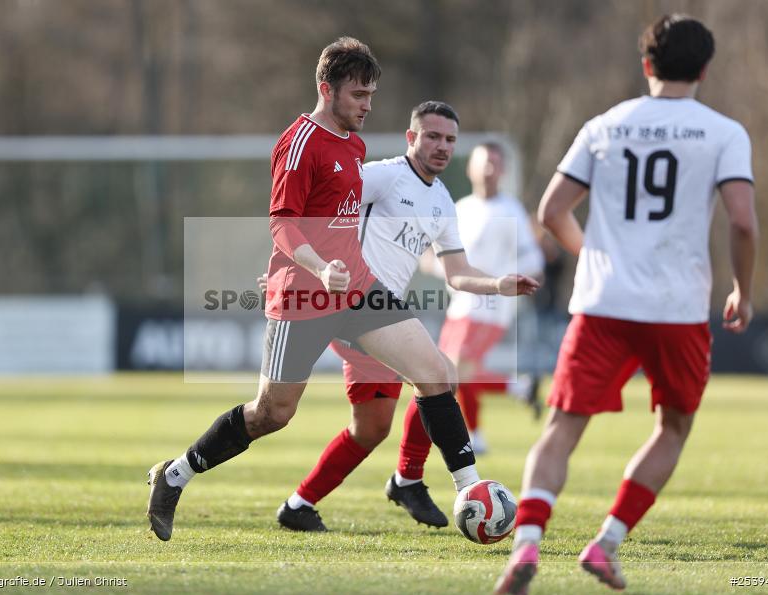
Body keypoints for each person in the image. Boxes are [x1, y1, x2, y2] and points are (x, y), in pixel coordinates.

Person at [145, 37, 537, 543]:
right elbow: (283, 224)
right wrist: (309, 266)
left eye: (371, 95)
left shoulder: (354, 146)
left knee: (437, 372)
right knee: (272, 414)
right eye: (358, 95)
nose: (367, 106)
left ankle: (470, 489)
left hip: (358, 290)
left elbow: (344, 222)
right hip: (305, 296)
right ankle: (175, 474)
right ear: (325, 90)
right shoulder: (299, 141)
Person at [495, 15, 757, 595]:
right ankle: (605, 543)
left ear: (646, 65)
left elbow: (551, 210)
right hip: (677, 307)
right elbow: (741, 220)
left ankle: (528, 542)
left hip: (603, 301)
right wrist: (743, 287)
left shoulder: (605, 126)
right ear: (705, 70)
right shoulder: (723, 132)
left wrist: (592, 256)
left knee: (562, 427)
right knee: (674, 426)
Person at [274, 101, 540, 532]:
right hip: (354, 307)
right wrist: (301, 267)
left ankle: (299, 504)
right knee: (440, 374)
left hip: (383, 316)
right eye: (432, 136)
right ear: (411, 137)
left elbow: (457, 273)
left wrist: (497, 285)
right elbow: (322, 209)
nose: (442, 146)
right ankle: (411, 478)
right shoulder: (382, 175)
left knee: (370, 429)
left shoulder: (441, 201)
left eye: (450, 139)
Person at [435, 142, 546, 454]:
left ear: (504, 170)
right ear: (470, 168)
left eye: (495, 163)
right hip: (460, 303)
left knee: (458, 368)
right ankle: (512, 395)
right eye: (483, 163)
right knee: (445, 373)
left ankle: (476, 434)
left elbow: (533, 261)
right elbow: (444, 257)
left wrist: (506, 282)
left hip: (491, 306)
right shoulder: (462, 208)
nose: (488, 170)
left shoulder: (510, 211)